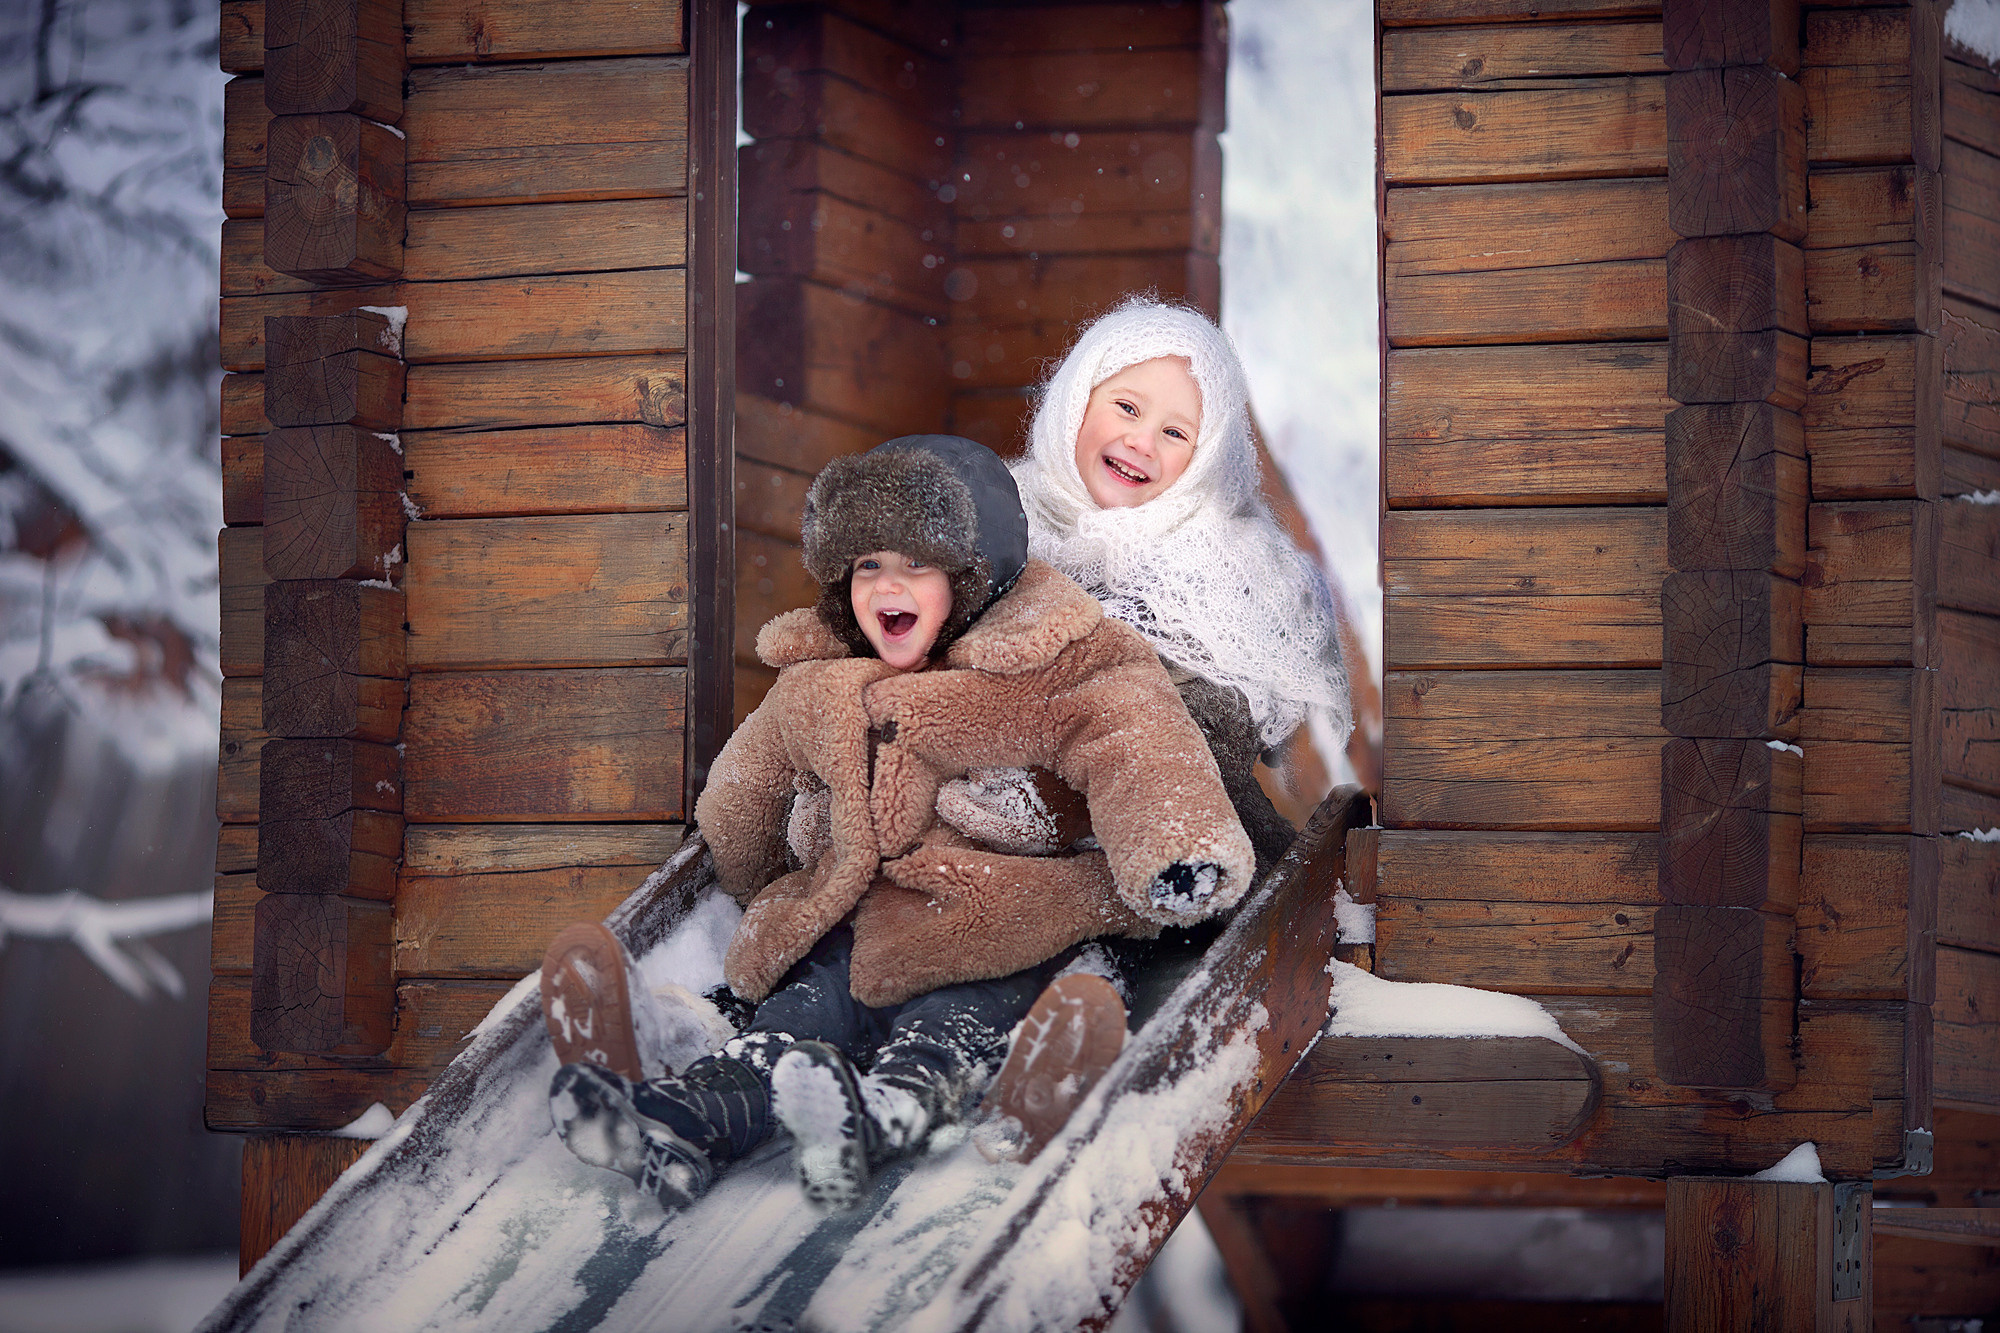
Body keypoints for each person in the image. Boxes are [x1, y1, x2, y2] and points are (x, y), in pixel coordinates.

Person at [541, 434, 1254, 1212]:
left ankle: (886, 1112)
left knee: (953, 1017)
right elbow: (747, 781)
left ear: (975, 575)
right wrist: (759, 877)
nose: (887, 585)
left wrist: (1177, 848)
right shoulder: (818, 679)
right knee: (798, 1012)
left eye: (916, 563)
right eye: (868, 564)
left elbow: (1137, 739)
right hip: (856, 925)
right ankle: (700, 1115)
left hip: (1006, 919)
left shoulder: (1058, 658)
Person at [938, 296, 1353, 881]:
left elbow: (1218, 725)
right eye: (1127, 408)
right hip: (975, 814)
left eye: (1175, 433)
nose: (1141, 441)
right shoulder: (999, 515)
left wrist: (1069, 788)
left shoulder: (1235, 569)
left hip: (1168, 831)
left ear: (1206, 459)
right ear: (1076, 402)